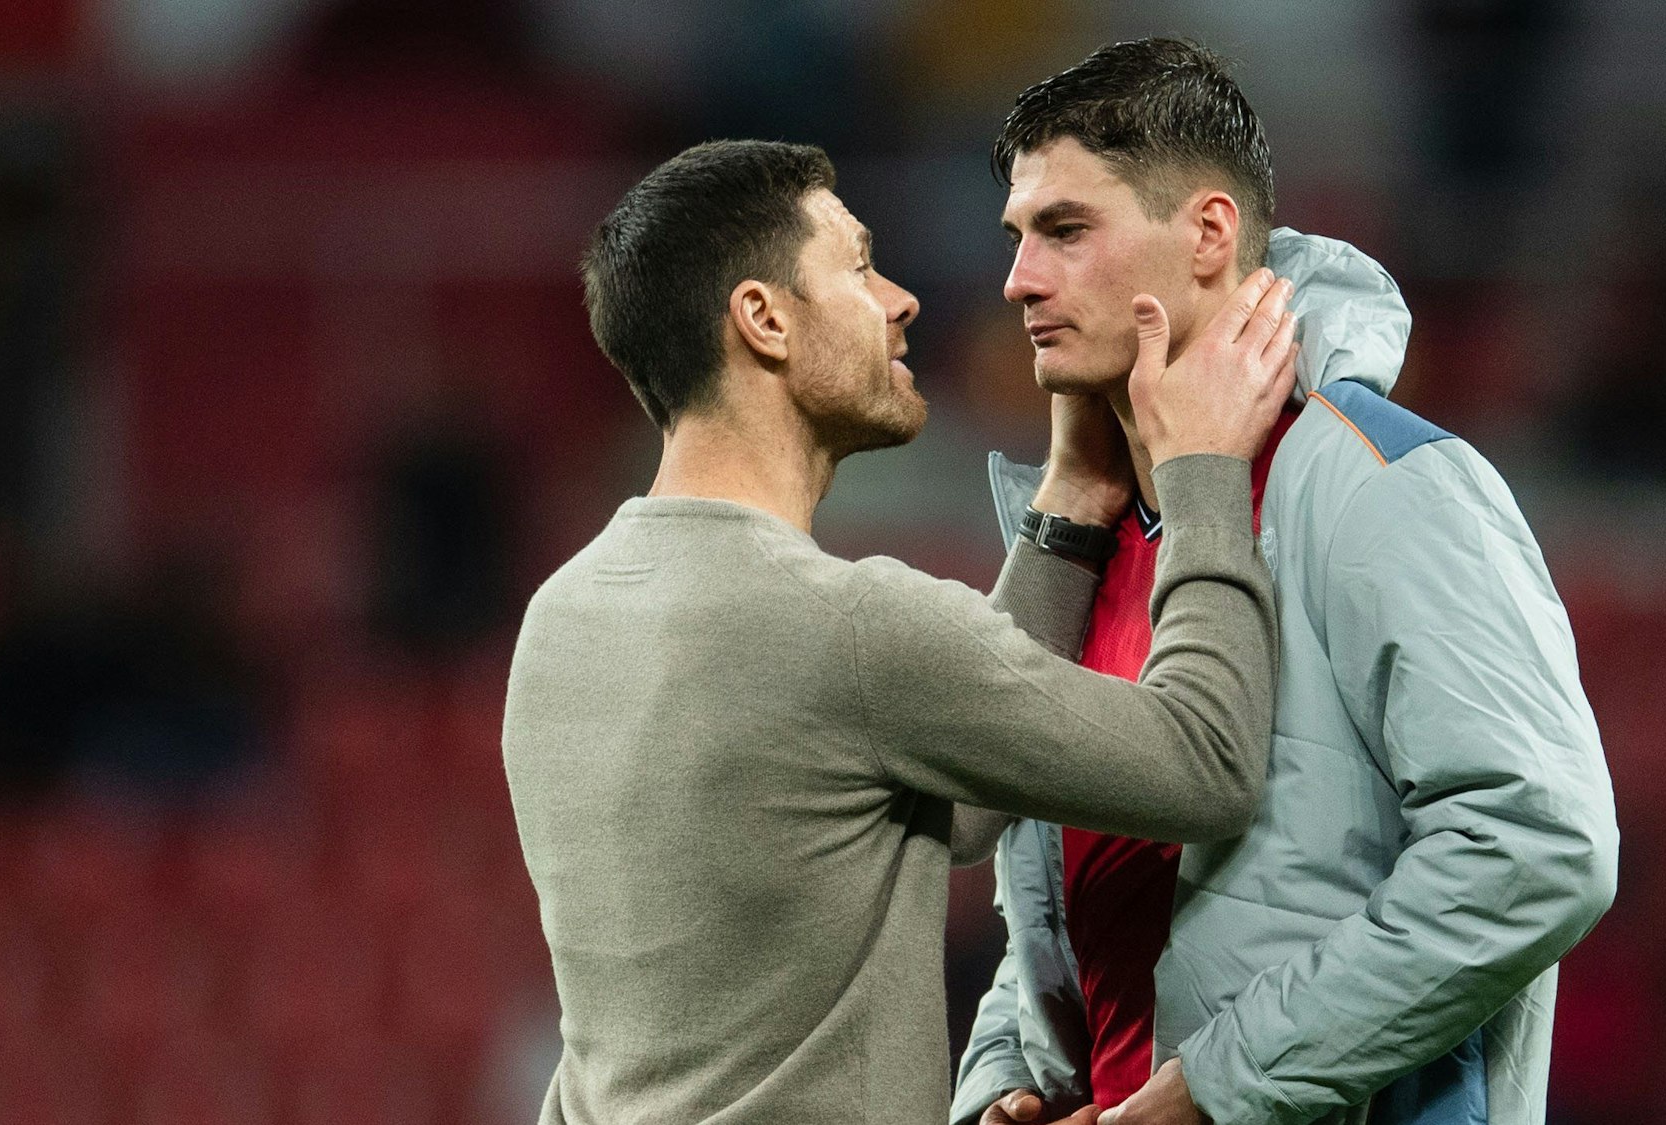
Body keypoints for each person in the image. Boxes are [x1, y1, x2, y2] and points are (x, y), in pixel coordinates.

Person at [502, 138, 1299, 1123]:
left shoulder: (561, 618)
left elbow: (935, 807)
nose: (898, 299)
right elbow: (1206, 765)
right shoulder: (841, 624)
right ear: (763, 321)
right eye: (857, 266)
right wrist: (1205, 470)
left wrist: (1065, 509)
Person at [953, 40, 1619, 1125]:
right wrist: (1010, 1078)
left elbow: (1538, 846)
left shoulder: (1384, 482)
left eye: (1065, 230)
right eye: (1019, 236)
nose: (1018, 279)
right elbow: (1065, 901)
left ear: (1208, 234)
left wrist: (1213, 1092)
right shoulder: (1090, 523)